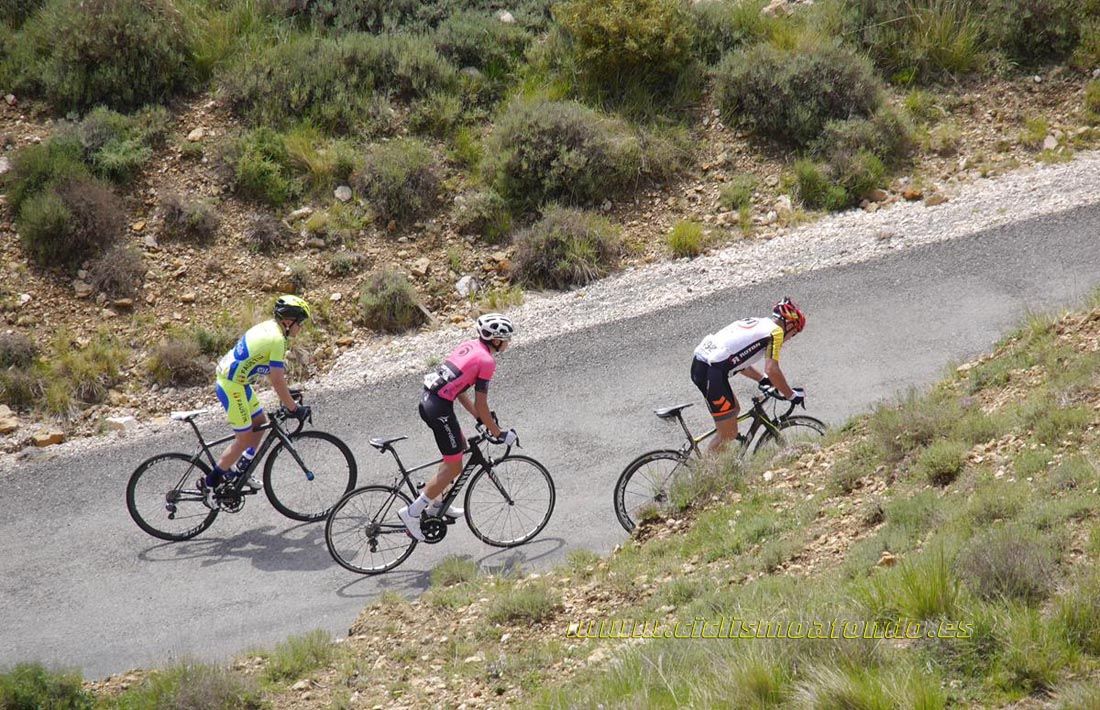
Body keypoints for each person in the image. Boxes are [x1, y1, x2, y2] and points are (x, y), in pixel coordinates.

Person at [398, 313, 518, 540]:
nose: (508, 343)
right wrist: (499, 433)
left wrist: (481, 420)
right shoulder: (487, 362)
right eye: (506, 339)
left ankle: (437, 505)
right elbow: (482, 403)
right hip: (439, 409)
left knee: (457, 453)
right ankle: (412, 513)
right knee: (454, 467)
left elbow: (460, 390)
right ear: (495, 340)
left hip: (432, 401)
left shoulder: (470, 346)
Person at [199, 295, 313, 507]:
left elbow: (276, 379)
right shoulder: (277, 339)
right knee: (243, 439)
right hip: (231, 385)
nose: (301, 329)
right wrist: (293, 408)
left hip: (238, 383)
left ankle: (240, 469)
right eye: (300, 323)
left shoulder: (271, 328)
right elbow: (277, 381)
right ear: (288, 322)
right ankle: (209, 483)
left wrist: (289, 395)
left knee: (259, 423)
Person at [690, 297, 807, 452]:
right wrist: (791, 395)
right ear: (790, 325)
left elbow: (738, 361)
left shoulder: (759, 323)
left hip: (704, 365)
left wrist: (761, 379)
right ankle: (706, 474)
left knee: (734, 410)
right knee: (728, 434)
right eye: (794, 334)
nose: (790, 339)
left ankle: (722, 462)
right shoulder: (776, 332)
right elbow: (772, 369)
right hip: (711, 372)